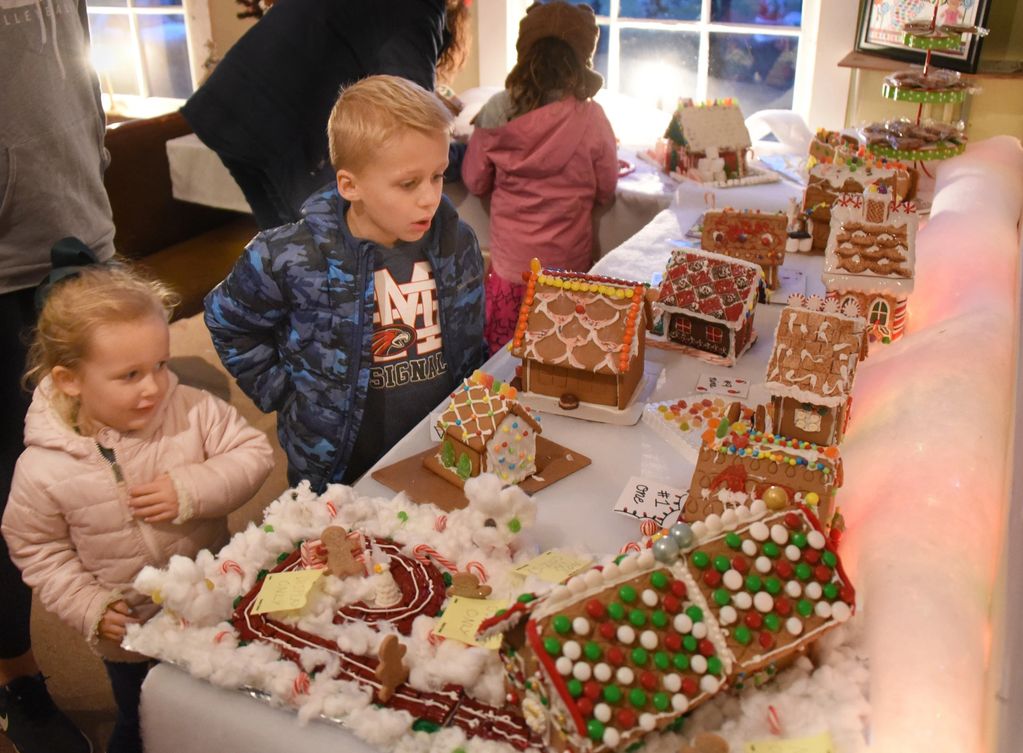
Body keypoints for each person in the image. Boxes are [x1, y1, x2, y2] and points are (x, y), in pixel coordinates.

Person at [2, 254, 275, 753]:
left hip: (215, 595)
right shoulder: (42, 471)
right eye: (129, 375)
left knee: (229, 703)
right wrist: (90, 607)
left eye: (160, 365)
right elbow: (37, 549)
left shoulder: (188, 407)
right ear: (69, 380)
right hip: (133, 636)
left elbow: (253, 452)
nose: (153, 387)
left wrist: (193, 488)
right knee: (147, 721)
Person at [204, 75, 486, 493]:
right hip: (337, 468)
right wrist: (287, 393)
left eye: (438, 175)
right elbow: (228, 321)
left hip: (439, 450)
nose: (429, 197)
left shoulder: (457, 241)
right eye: (408, 183)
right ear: (349, 185)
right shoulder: (286, 255)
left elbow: (471, 337)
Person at [1, 1, 117, 750]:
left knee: (115, 460)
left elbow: (75, 80)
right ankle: (19, 674)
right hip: (2, 273)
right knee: (9, 480)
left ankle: (136, 644)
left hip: (84, 238)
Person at [182, 0, 471, 229]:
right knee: (326, 245)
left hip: (229, 107)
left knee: (289, 245)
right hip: (278, 126)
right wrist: (466, 153)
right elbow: (412, 122)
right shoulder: (418, 6)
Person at [462, 1, 618, 355]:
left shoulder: (497, 111)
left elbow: (473, 181)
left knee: (504, 361)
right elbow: (607, 190)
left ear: (524, 53)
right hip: (567, 273)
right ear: (582, 60)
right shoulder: (591, 118)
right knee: (563, 358)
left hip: (510, 272)